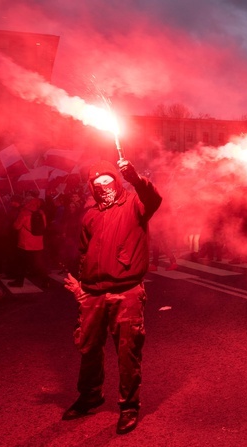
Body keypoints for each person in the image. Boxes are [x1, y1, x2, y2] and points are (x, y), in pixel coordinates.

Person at [62, 158, 162, 435]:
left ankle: (129, 406)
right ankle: (90, 395)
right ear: (91, 189)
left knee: (127, 351)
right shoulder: (90, 215)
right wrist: (81, 285)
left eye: (107, 181)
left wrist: (135, 177)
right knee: (88, 347)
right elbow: (84, 250)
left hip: (125, 291)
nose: (102, 187)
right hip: (93, 292)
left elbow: (152, 197)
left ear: (117, 182)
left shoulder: (134, 204)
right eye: (97, 184)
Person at [8, 198, 49, 288]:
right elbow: (44, 226)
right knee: (38, 263)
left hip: (25, 243)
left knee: (21, 263)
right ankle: (46, 280)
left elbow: (17, 226)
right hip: (38, 242)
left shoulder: (24, 213)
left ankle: (19, 282)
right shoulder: (41, 213)